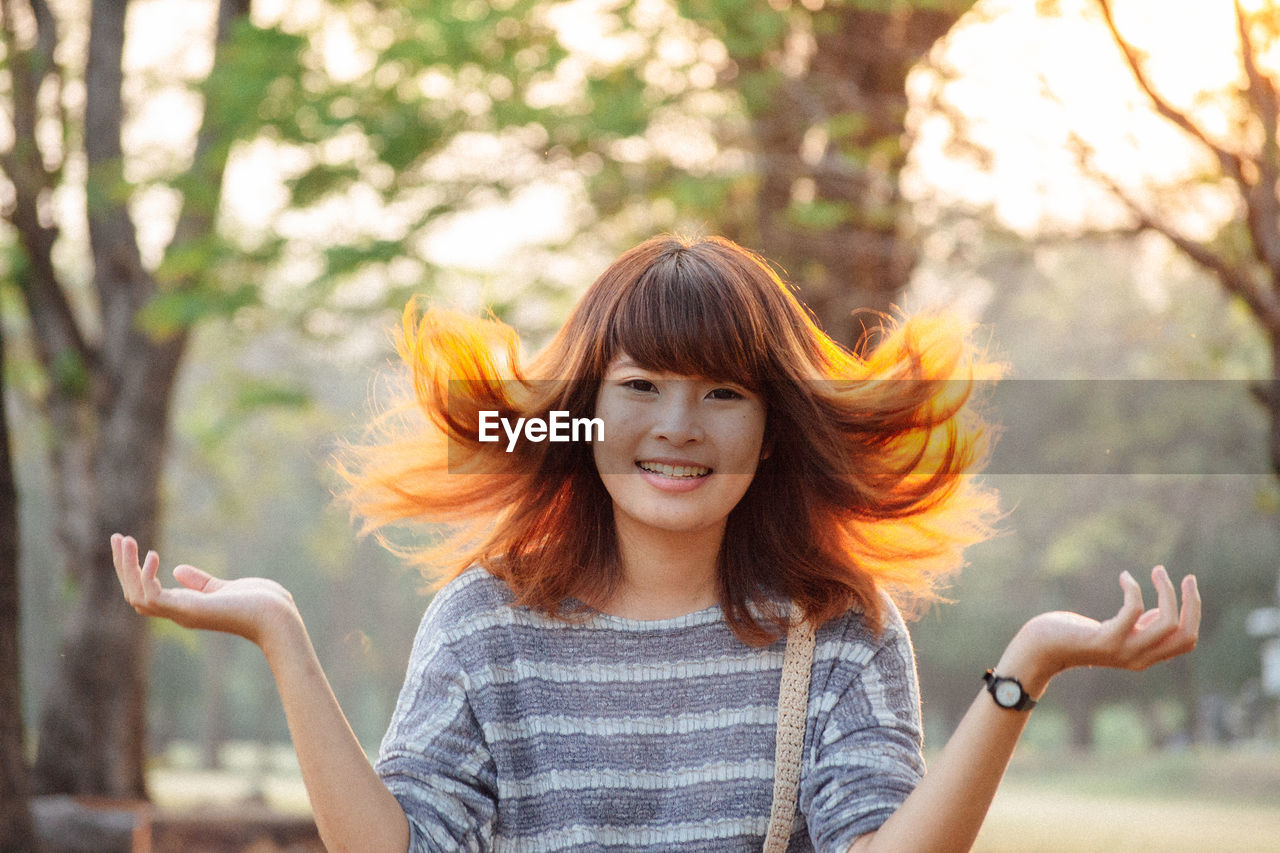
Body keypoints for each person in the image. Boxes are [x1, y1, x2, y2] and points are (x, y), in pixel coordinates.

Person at [112, 234, 1199, 853]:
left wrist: (1028, 665)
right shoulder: (486, 623)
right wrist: (280, 631)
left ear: (772, 431)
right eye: (638, 388)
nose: (678, 427)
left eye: (723, 392)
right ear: (579, 414)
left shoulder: (838, 629)